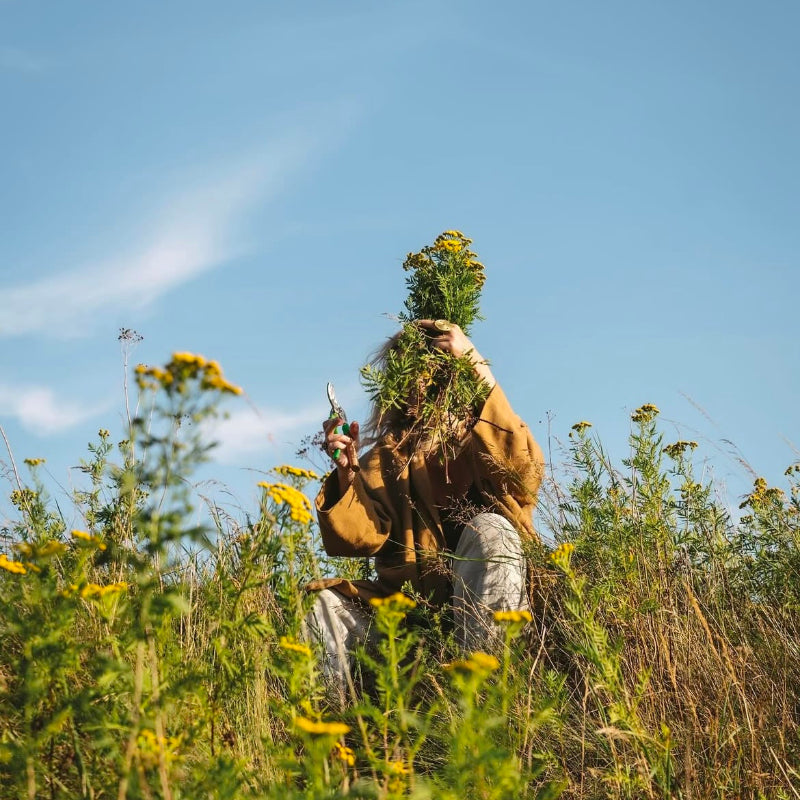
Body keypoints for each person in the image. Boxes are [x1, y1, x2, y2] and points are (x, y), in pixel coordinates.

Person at [304, 319, 545, 701]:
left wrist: (479, 367)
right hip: (411, 621)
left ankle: (491, 702)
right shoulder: (387, 457)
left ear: (452, 375)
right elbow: (356, 538)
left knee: (491, 531)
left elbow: (524, 478)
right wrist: (347, 470)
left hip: (492, 611)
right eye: (405, 375)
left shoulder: (487, 435)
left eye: (429, 369)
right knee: (326, 604)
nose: (416, 385)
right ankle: (332, 736)